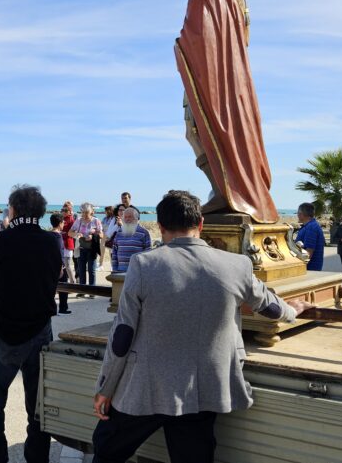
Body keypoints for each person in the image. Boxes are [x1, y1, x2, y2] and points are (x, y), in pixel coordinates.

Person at [91, 190, 311, 462]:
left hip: (147, 386)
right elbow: (269, 306)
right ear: (201, 224)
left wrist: (105, 388)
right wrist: (293, 310)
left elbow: (123, 335)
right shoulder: (237, 265)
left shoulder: (144, 264)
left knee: (106, 448)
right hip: (202, 389)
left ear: (160, 226)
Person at [175, 0, 277, 223]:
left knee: (194, 130)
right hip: (234, 75)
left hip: (208, 73)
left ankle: (223, 191)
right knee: (230, 131)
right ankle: (229, 189)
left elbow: (196, 31)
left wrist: (181, 44)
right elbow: (245, 37)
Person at [0, 185, 62, 462]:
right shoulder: (51, 242)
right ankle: (37, 458)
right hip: (39, 329)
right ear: (41, 212)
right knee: (37, 406)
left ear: (12, 210)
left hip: (3, 329)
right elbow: (54, 278)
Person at [70, 203, 104, 296]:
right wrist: (77, 234)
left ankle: (92, 291)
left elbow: (101, 235)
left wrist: (93, 236)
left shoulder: (96, 221)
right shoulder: (78, 220)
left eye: (86, 212)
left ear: (92, 212)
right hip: (81, 248)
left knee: (91, 270)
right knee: (81, 270)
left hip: (92, 249)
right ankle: (82, 291)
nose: (84, 215)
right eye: (83, 212)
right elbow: (70, 232)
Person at [111, 206, 151, 273]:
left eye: (130, 217)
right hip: (120, 270)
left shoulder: (144, 233)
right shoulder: (119, 233)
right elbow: (114, 252)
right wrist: (114, 269)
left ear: (136, 218)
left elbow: (148, 253)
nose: (127, 219)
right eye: (125, 217)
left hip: (137, 271)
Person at [50, 213, 72, 315]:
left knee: (51, 288)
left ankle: (52, 308)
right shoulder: (57, 237)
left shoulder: (49, 235)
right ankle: (63, 308)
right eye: (63, 222)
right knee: (64, 288)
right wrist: (60, 268)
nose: (64, 223)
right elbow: (58, 253)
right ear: (59, 223)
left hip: (50, 266)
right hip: (58, 266)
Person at [294, 203, 325, 271]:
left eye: (298, 213)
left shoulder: (311, 228)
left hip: (309, 268)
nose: (297, 215)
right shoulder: (310, 226)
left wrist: (298, 267)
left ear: (301, 214)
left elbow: (309, 252)